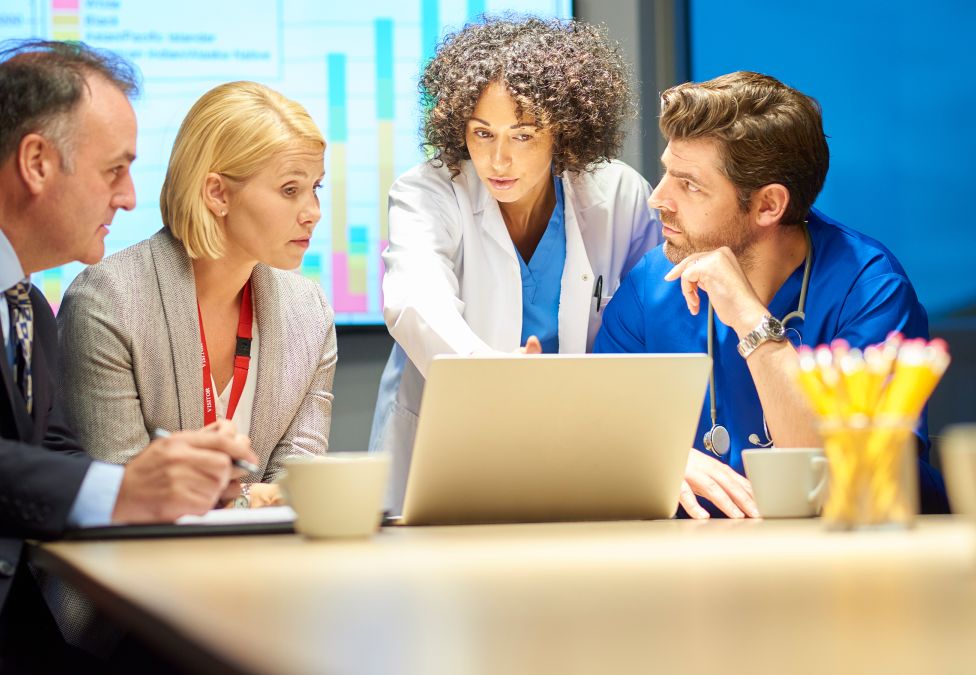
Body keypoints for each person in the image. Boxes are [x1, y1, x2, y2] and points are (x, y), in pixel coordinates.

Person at [0, 40, 256, 670]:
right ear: (36, 162)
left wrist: (173, 484)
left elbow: (48, 457)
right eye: (114, 169)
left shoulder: (29, 306)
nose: (130, 197)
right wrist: (120, 488)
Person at [594, 71, 949, 518]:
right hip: (697, 562)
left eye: (690, 185)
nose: (657, 199)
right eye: (667, 174)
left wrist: (749, 317)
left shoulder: (868, 289)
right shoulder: (652, 284)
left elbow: (841, 479)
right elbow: (601, 433)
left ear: (768, 205)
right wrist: (665, 462)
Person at [368, 17, 662, 512]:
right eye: (482, 134)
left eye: (523, 136)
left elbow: (648, 322)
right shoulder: (429, 191)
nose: (498, 160)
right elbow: (414, 302)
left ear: (564, 132)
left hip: (580, 442)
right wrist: (493, 378)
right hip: (451, 442)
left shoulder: (619, 194)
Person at [59, 80, 336, 508]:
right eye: (289, 190)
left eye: (316, 188)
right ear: (217, 193)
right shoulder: (107, 302)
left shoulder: (310, 311)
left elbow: (297, 487)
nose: (312, 213)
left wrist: (246, 502)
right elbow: (125, 497)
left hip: (266, 567)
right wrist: (251, 500)